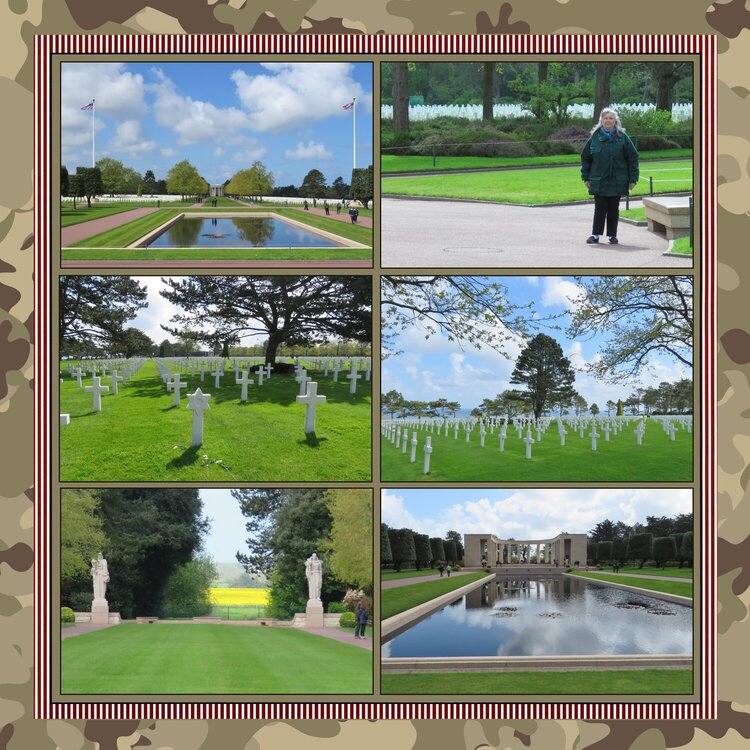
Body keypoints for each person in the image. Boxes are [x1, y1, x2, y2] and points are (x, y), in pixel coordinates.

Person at [580, 107, 639, 245]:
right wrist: (586, 177)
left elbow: (633, 157)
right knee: (599, 208)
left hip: (618, 180)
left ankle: (612, 235)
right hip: (599, 180)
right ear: (601, 120)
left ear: (615, 121)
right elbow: (586, 158)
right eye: (605, 118)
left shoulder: (623, 137)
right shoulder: (595, 137)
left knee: (614, 208)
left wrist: (633, 179)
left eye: (611, 118)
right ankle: (595, 235)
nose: (608, 121)